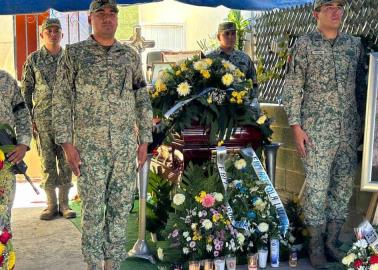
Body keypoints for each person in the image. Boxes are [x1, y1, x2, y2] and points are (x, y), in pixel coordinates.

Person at [52, 0, 153, 269]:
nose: (107, 18)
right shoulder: (73, 55)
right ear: (90, 19)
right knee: (94, 213)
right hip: (89, 149)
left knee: (120, 210)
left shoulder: (130, 56)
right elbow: (61, 99)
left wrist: (144, 139)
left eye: (112, 13)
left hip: (123, 147)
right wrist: (67, 144)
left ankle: (113, 264)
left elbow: (141, 99)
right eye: (101, 13)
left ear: (117, 19)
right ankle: (95, 265)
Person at [282, 0, 366, 268]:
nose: (335, 10)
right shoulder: (304, 44)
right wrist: (296, 128)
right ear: (315, 12)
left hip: (349, 131)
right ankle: (316, 245)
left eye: (340, 5)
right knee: (317, 189)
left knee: (342, 188)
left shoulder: (354, 45)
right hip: (316, 131)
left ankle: (332, 242)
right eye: (328, 5)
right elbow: (293, 87)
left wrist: (366, 127)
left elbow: (363, 88)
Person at [21, 18, 76, 220]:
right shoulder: (33, 60)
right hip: (42, 120)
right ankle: (50, 205)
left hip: (66, 120)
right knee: (47, 162)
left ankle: (64, 204)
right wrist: (28, 119)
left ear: (62, 35)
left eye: (56, 30)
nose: (53, 34)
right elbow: (25, 92)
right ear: (42, 35)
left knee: (66, 162)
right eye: (49, 31)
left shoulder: (70, 58)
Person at [0, 70, 32, 229]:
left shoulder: (6, 80)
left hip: (5, 156)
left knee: (3, 207)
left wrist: (23, 144)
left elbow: (22, 113)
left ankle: (3, 250)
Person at [207, 21, 259, 99]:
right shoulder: (209, 58)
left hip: (240, 104)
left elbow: (254, 82)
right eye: (227, 34)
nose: (230, 37)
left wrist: (252, 100)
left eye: (233, 33)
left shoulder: (244, 58)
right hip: (217, 105)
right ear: (218, 37)